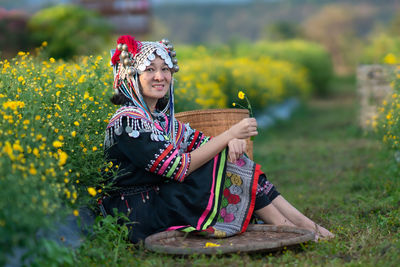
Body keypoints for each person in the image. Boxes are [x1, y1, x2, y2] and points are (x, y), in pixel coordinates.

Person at [100, 35, 334, 244]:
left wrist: (229, 142)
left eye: (165, 69)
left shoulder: (161, 119)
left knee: (231, 159)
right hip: (137, 212)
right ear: (131, 77)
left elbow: (203, 143)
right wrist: (230, 135)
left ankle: (303, 224)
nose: (160, 76)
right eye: (149, 70)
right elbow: (178, 168)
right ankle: (288, 229)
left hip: (161, 199)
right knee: (222, 164)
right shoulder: (129, 122)